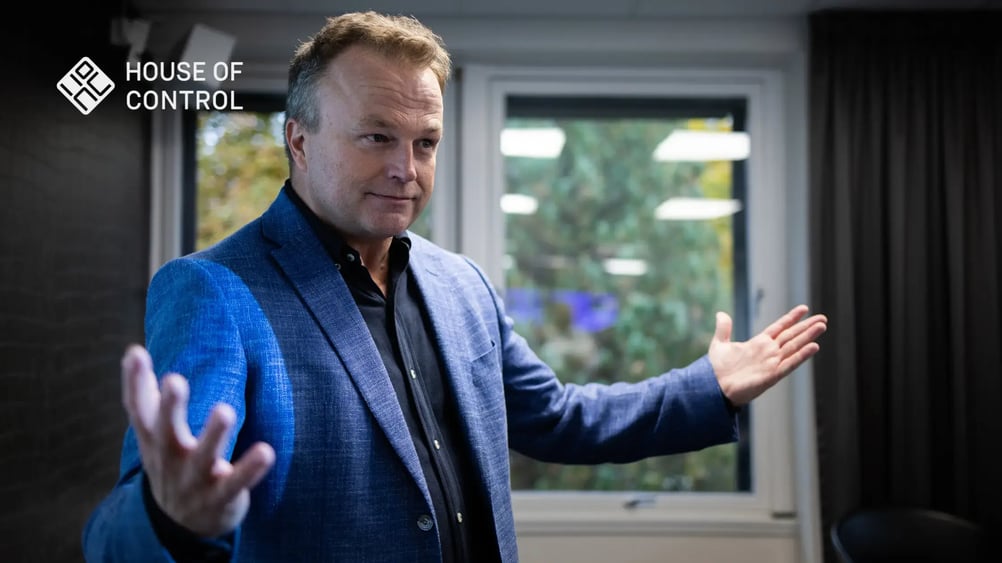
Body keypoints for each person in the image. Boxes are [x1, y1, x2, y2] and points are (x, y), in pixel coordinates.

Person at [82, 10, 827, 562]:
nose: (407, 168)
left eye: (426, 141)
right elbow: (116, 534)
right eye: (377, 136)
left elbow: (558, 417)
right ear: (299, 140)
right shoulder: (214, 289)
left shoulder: (459, 283)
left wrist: (709, 388)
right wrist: (168, 514)